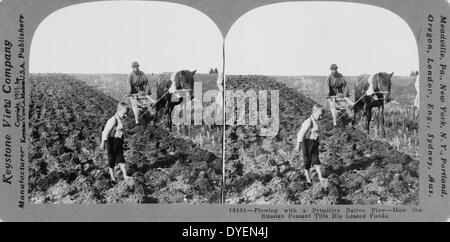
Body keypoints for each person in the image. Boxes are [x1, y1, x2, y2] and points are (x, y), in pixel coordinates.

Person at [295, 104, 326, 183]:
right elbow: (300, 134)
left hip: (314, 143)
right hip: (307, 144)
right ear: (314, 112)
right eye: (319, 115)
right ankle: (308, 179)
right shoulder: (308, 122)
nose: (321, 118)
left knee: (316, 160)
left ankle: (320, 177)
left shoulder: (315, 121)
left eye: (322, 116)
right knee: (307, 161)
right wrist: (298, 145)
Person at [101, 102, 131, 182]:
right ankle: (112, 177)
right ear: (118, 111)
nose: (126, 116)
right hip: (111, 141)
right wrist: (103, 142)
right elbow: (105, 131)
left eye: (126, 114)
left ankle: (125, 175)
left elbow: (121, 130)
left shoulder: (121, 119)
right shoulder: (113, 120)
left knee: (121, 158)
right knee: (111, 160)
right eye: (124, 114)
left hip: (118, 142)